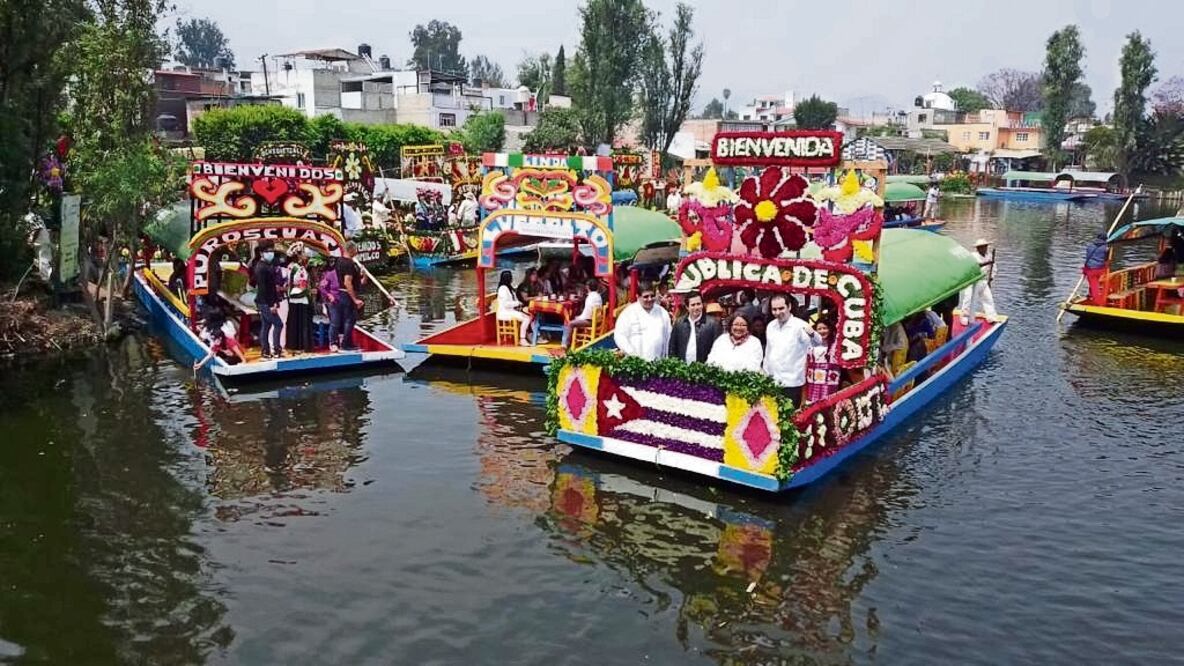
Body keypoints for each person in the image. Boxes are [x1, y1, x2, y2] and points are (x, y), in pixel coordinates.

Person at [763, 294, 821, 405]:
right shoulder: (770, 326)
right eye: (774, 309)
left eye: (781, 308)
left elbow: (817, 344)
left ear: (789, 307)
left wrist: (813, 334)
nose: (777, 312)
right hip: (772, 380)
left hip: (792, 382)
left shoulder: (800, 325)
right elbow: (768, 352)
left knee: (790, 414)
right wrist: (765, 373)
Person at [613, 282, 671, 361]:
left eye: (652, 296)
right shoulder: (629, 313)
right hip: (635, 362)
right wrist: (632, 354)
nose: (649, 299)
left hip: (658, 362)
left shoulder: (662, 312)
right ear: (638, 296)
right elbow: (620, 336)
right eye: (646, 297)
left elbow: (668, 336)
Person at [668, 291, 722, 364]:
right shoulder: (679, 323)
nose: (696, 308)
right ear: (687, 307)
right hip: (682, 368)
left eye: (698, 304)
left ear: (702, 305)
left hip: (704, 368)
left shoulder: (713, 324)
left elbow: (718, 349)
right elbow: (672, 348)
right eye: (693, 305)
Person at [333, 243, 364, 351]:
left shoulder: (339, 261)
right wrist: (354, 299)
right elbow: (347, 282)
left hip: (339, 293)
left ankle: (347, 342)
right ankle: (345, 344)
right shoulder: (349, 264)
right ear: (351, 250)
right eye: (355, 249)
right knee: (350, 319)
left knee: (345, 319)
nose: (357, 251)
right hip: (346, 294)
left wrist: (362, 275)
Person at [959, 238, 998, 324]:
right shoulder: (972, 256)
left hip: (984, 280)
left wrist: (991, 278)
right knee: (968, 300)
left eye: (985, 246)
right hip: (973, 281)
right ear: (977, 248)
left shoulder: (989, 255)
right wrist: (988, 262)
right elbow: (976, 266)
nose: (983, 248)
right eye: (981, 247)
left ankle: (991, 317)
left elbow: (993, 267)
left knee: (988, 299)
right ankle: (965, 318)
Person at [253, 244, 283, 358]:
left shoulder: (267, 265)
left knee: (266, 325)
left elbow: (271, 286)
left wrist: (276, 301)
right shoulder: (261, 267)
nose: (271, 254)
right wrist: (271, 305)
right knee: (278, 324)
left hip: (265, 301)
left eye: (272, 251)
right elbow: (264, 288)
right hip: (265, 302)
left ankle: (266, 351)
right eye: (268, 251)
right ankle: (276, 349)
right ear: (261, 253)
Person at [286, 245, 314, 353]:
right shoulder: (299, 268)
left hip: (293, 296)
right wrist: (309, 292)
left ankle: (294, 345)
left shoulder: (291, 266)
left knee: (294, 322)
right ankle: (303, 346)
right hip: (301, 297)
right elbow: (303, 284)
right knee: (303, 323)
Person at [805, 319, 841, 403]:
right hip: (812, 384)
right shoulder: (810, 344)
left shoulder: (836, 344)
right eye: (819, 329)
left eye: (825, 328)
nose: (822, 331)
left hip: (830, 384)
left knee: (829, 404)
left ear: (830, 329)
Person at [563, 278, 604, 348]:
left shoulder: (590, 297)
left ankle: (565, 344)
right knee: (575, 319)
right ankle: (569, 341)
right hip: (597, 320)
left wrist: (579, 318)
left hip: (590, 321)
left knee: (570, 323)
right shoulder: (598, 296)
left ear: (587, 287)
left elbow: (588, 314)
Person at [496, 270, 533, 346]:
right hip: (505, 312)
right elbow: (506, 304)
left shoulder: (509, 288)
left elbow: (514, 299)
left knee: (529, 315)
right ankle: (522, 339)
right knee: (526, 318)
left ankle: (528, 334)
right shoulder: (503, 289)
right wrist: (517, 303)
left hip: (511, 310)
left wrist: (519, 305)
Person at [1082, 232, 1110, 304]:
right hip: (1100, 269)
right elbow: (1106, 260)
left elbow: (1088, 257)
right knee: (1095, 284)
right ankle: (1093, 297)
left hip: (1090, 270)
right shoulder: (1106, 248)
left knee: (1094, 285)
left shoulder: (1089, 246)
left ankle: (1097, 301)